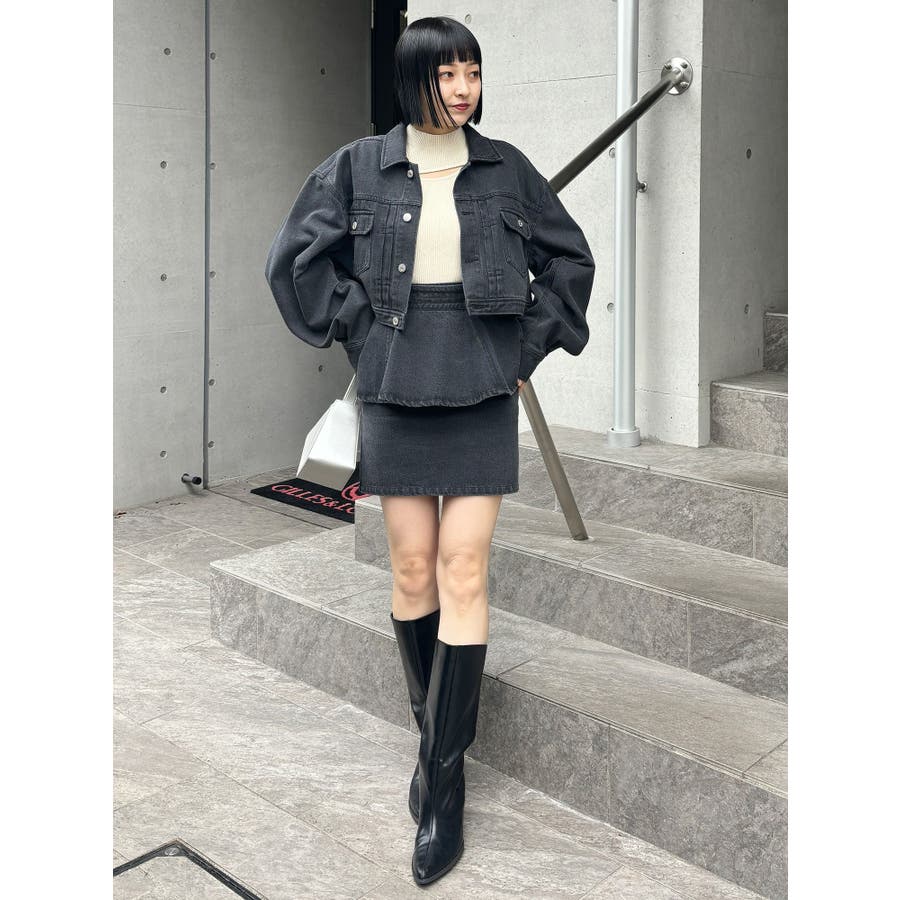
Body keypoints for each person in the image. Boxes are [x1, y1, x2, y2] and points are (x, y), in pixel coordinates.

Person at [264, 16, 595, 887]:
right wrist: (360, 329)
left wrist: (522, 349)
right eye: (447, 74)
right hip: (395, 378)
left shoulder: (506, 168)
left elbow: (570, 261)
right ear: (414, 79)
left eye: (472, 72)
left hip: (481, 383)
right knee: (412, 569)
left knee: (464, 567)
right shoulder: (357, 167)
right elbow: (295, 261)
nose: (463, 88)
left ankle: (444, 787)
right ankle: (431, 739)